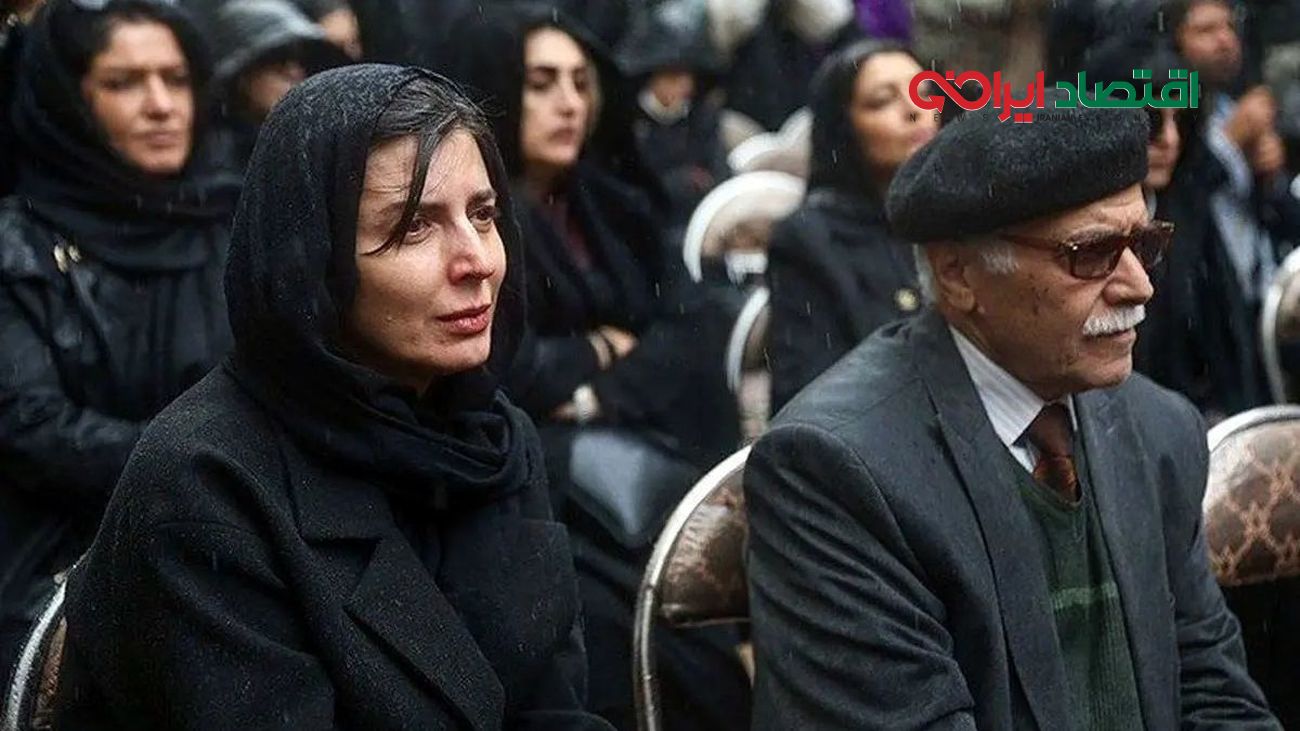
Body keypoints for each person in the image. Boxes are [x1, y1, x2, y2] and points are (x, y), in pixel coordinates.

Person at [54, 65, 612, 730]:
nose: (479, 262)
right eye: (414, 226)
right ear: (312, 263)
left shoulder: (490, 438)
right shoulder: (204, 487)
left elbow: (552, 709)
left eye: (483, 215)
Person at [744, 93, 1281, 728]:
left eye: (1145, 242)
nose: (1139, 285)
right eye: (1090, 254)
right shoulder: (838, 469)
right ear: (958, 274)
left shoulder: (1159, 427)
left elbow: (1213, 692)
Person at [444, 6, 751, 729]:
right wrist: (602, 348)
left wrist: (586, 393)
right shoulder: (470, 225)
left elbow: (688, 329)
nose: (570, 103)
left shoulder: (612, 202)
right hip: (535, 484)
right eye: (542, 83)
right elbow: (503, 369)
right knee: (613, 635)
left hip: (639, 447)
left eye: (581, 83)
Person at [0, 0, 239, 674]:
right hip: (64, 562)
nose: (161, 105)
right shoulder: (18, 246)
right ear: (69, 102)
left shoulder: (235, 222)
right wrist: (206, 463)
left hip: (237, 539)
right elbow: (31, 425)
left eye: (176, 79)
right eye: (124, 82)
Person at [766, 39, 936, 412]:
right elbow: (809, 399)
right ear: (842, 127)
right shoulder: (809, 239)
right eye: (882, 101)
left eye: (925, 93)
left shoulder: (960, 217)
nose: (916, 110)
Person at [195, 0, 348, 176]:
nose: (295, 72)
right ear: (242, 77)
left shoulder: (317, 145)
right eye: (279, 60)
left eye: (300, 59)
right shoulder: (216, 163)